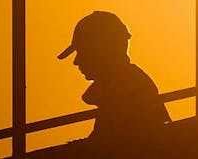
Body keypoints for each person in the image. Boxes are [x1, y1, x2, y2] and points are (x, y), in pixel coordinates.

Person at [57, 11, 170, 156]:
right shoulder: (117, 87)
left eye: (83, 51)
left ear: (103, 51)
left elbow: (110, 147)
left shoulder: (127, 89)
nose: (76, 61)